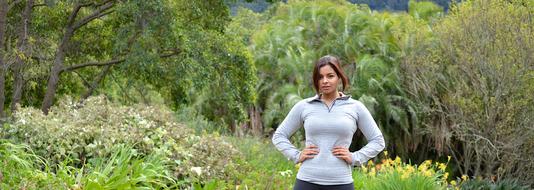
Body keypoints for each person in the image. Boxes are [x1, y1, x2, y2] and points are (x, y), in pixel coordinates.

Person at [272, 55, 385, 190]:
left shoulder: (355, 107)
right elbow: (279, 136)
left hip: (341, 182)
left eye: (330, 76)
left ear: (339, 77)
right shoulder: (304, 106)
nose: (324, 81)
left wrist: (355, 157)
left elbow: (378, 141)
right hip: (306, 181)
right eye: (320, 77)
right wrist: (296, 155)